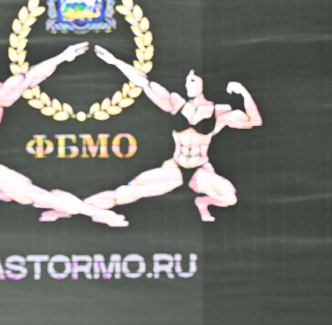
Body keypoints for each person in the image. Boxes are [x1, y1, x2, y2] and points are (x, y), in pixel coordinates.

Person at [83, 46, 262, 223]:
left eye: (192, 80)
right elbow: (144, 82)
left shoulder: (219, 112)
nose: (187, 85)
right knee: (126, 192)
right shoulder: (176, 104)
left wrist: (243, 92)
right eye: (187, 81)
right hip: (175, 168)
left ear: (204, 82)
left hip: (200, 170)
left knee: (230, 198)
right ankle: (78, 208)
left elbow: (254, 121)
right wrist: (115, 62)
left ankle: (202, 203)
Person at [0, 51, 127, 226]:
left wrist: (61, 57)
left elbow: (28, 79)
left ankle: (95, 213)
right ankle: (87, 212)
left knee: (35, 194)